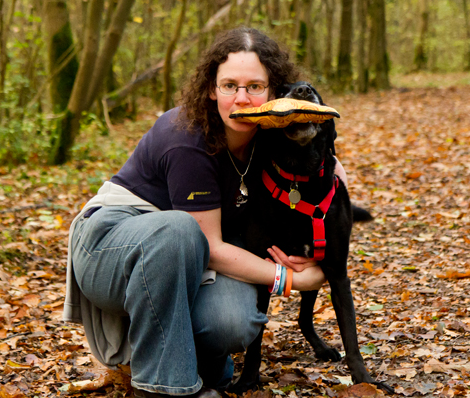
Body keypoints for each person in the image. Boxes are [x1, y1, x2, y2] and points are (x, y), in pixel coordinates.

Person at [63, 27, 328, 398]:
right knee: (178, 230)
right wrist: (291, 279)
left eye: (255, 87)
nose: (242, 99)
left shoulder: (270, 133)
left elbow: (328, 170)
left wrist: (321, 255)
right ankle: (165, 388)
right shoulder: (186, 135)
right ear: (209, 88)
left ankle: (197, 364)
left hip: (191, 258)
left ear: (273, 93)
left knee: (232, 323)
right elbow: (210, 245)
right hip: (110, 247)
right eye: (229, 85)